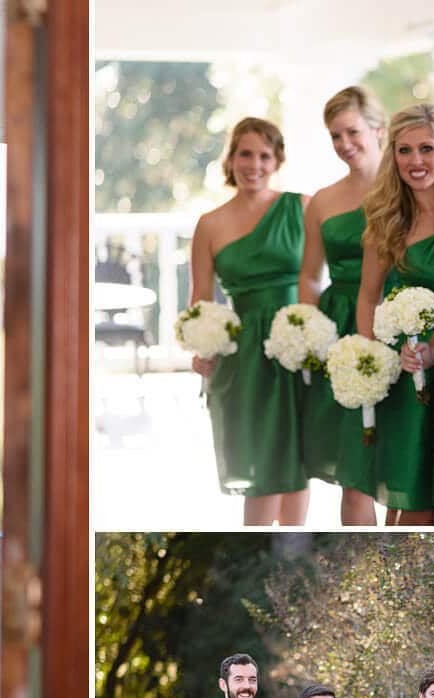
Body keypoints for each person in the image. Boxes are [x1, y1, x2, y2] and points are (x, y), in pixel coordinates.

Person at [190, 118, 310, 526]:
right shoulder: (210, 224)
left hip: (297, 346)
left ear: (277, 159)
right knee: (257, 468)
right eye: (245, 153)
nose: (254, 164)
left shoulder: (302, 207)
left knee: (295, 462)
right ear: (231, 158)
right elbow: (200, 300)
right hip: (242, 357)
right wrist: (200, 350)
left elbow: (329, 276)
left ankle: (293, 553)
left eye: (264, 155)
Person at [352, 103, 434, 527]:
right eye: (404, 150)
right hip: (407, 367)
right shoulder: (386, 220)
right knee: (408, 495)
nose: (415, 161)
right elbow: (366, 298)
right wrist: (379, 357)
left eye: (426, 148)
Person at [297, 86, 387, 525]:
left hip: (398, 319)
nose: (344, 144)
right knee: (355, 469)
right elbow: (310, 275)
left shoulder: (409, 187)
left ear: (378, 129)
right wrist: (306, 333)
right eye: (335, 136)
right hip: (341, 330)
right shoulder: (323, 201)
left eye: (352, 131)